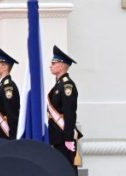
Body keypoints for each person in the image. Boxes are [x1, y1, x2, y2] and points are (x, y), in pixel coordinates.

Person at [47, 45, 82, 173]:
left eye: (53, 63)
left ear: (61, 65)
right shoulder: (59, 85)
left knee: (67, 169)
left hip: (63, 136)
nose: (50, 65)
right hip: (57, 135)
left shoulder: (67, 85)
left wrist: (68, 138)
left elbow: (69, 113)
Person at [0, 46, 20, 140]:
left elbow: (12, 114)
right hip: (0, 132)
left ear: (4, 67)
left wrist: (13, 138)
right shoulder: (1, 86)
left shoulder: (8, 87)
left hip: (6, 134)